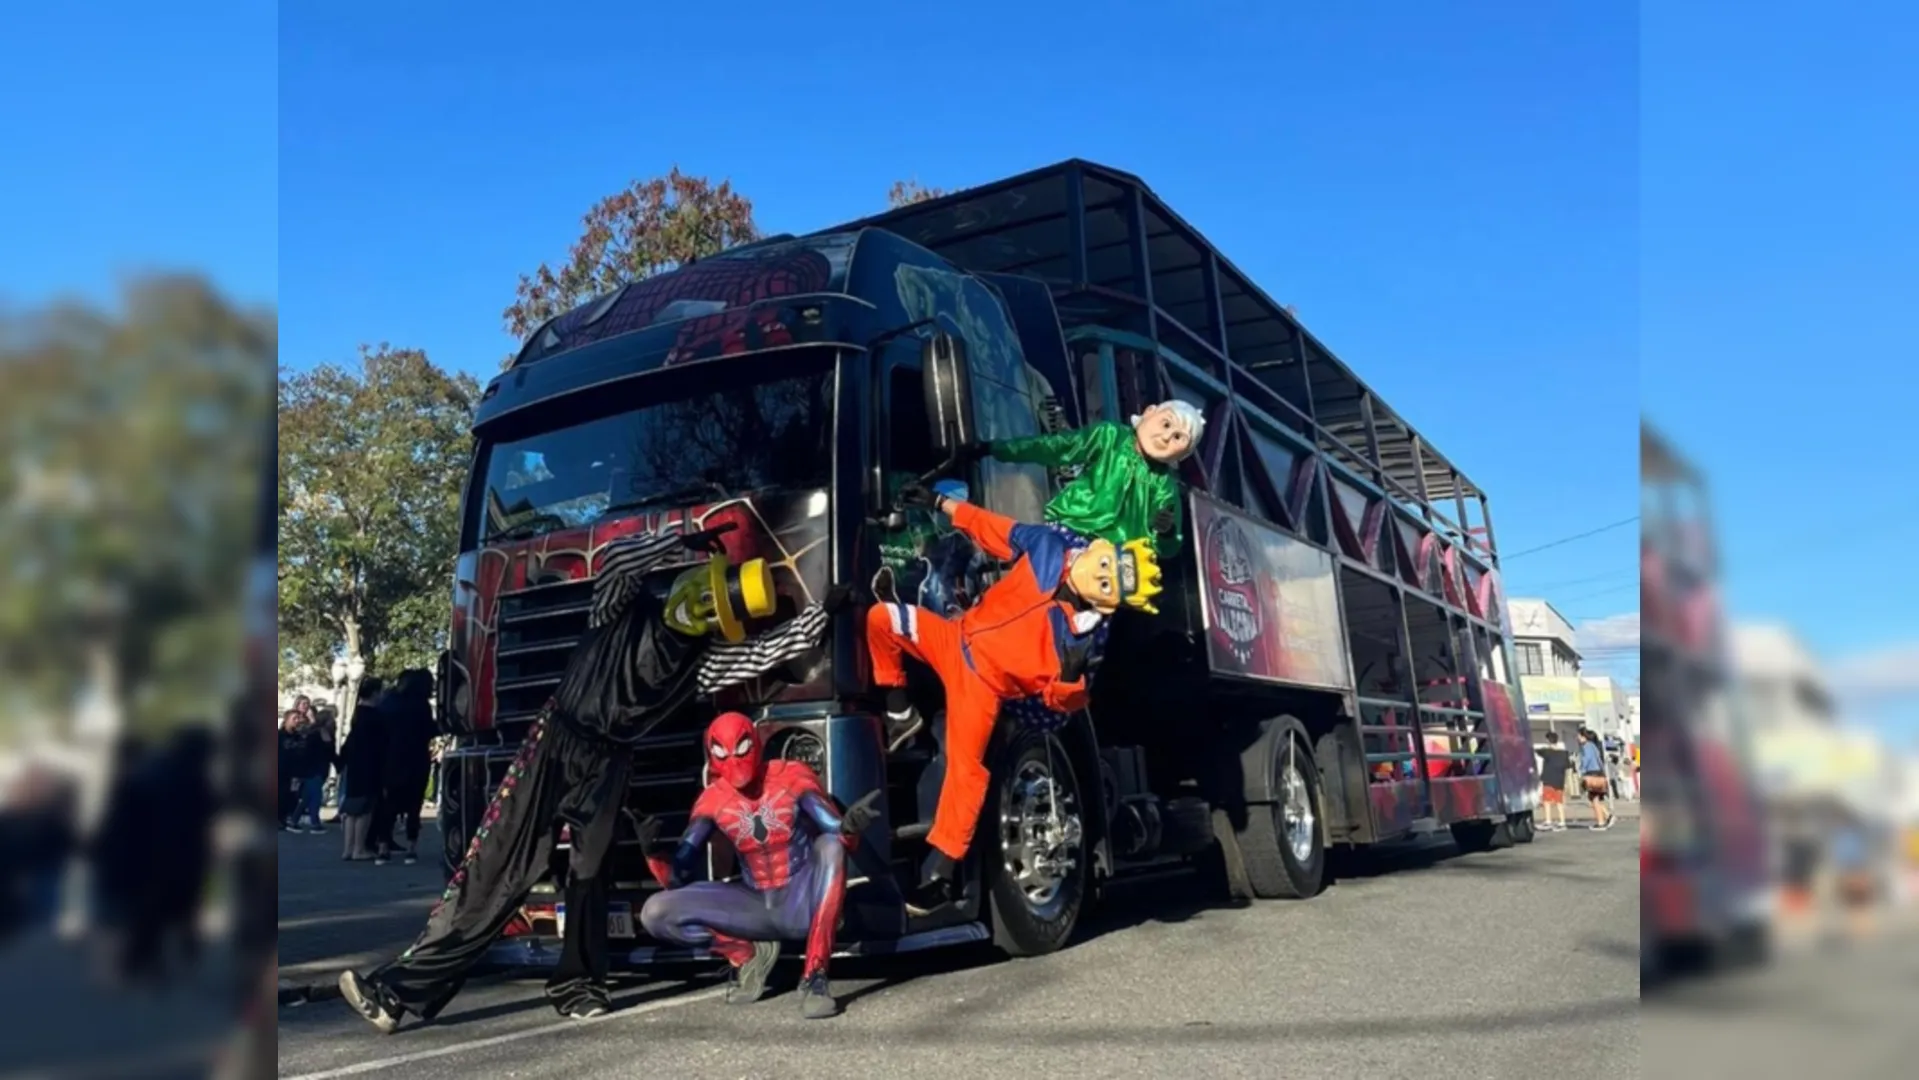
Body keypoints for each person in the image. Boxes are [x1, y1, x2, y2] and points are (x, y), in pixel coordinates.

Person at [338, 528, 840, 1034]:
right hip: (554, 744)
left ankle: (579, 985)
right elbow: (618, 558)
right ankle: (398, 993)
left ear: (720, 621)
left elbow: (771, 650)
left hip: (609, 762)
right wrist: (676, 542)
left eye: (714, 607)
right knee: (497, 867)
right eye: (704, 592)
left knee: (588, 875)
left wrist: (825, 611)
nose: (702, 605)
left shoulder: (701, 664)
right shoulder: (622, 607)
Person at [867, 478, 1163, 912]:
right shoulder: (1046, 549)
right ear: (1100, 551)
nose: (1098, 577)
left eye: (1108, 585)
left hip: (982, 687)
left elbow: (1059, 709)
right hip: (954, 637)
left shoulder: (1081, 640)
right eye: (1105, 567)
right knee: (882, 618)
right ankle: (900, 712)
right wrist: (940, 502)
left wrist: (1071, 677)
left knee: (965, 769)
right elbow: (992, 527)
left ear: (1110, 603)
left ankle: (941, 874)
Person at [638, 713, 880, 1019]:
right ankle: (747, 954)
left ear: (755, 744)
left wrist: (851, 827)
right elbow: (677, 879)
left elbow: (837, 833)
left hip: (801, 898)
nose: (735, 761)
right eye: (723, 753)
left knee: (830, 846)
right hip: (754, 903)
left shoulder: (792, 776)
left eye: (741, 749)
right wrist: (653, 851)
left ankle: (815, 976)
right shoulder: (712, 801)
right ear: (711, 755)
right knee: (655, 912)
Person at [960, 398, 1205, 557]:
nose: (1165, 437)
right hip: (1068, 532)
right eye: (1166, 425)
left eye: (1177, 438)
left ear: (1183, 453)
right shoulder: (1109, 436)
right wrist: (996, 449)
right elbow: (1057, 447)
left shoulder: (1164, 486)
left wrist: (1166, 531)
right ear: (1149, 411)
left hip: (1112, 563)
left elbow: (1169, 547)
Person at [374, 670, 437, 865]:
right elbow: (430, 730)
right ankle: (411, 847)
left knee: (388, 804)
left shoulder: (389, 702)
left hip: (392, 758)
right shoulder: (421, 705)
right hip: (417, 757)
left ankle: (383, 847)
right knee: (414, 805)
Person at [336, 677, 387, 861]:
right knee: (365, 809)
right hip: (370, 765)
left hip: (354, 765)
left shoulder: (357, 715)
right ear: (375, 693)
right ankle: (359, 848)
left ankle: (348, 849)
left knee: (351, 809)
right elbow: (381, 744)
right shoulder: (375, 716)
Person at [1577, 728, 1612, 830]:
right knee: (1594, 797)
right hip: (1598, 773)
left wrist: (1582, 770)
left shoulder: (1586, 746)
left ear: (1584, 737)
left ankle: (1601, 822)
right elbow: (1599, 760)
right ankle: (1607, 815)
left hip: (1591, 773)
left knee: (1594, 798)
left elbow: (1586, 759)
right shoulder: (1594, 746)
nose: (1577, 738)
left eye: (1579, 736)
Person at [1535, 731, 1571, 832]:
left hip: (1548, 779)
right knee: (1559, 802)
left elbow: (1536, 750)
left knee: (1547, 801)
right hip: (1560, 780)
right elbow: (1567, 767)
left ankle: (1548, 821)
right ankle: (1562, 822)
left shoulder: (1547, 752)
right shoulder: (1564, 753)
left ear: (1548, 740)